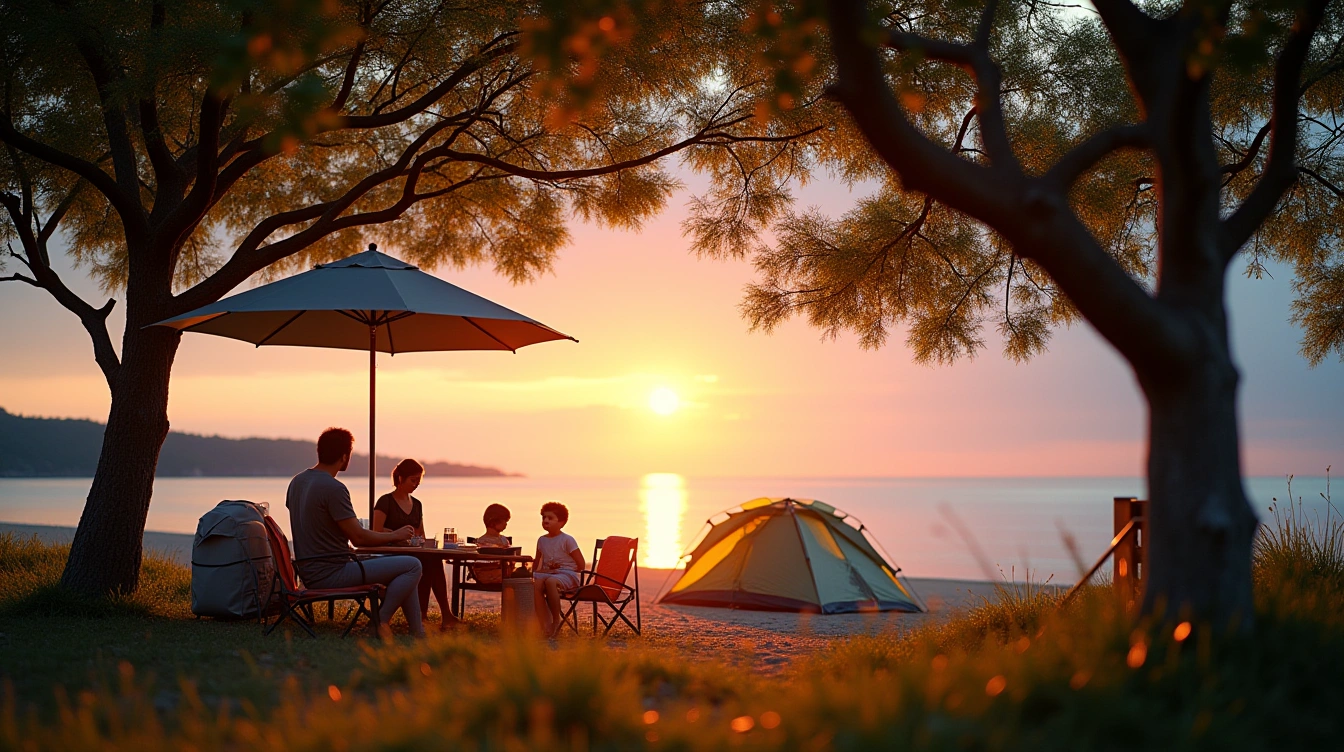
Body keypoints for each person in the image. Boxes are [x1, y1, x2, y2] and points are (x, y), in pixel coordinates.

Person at [286, 428, 425, 638]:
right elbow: (358, 537)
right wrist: (395, 535)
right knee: (412, 565)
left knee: (404, 563)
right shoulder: (334, 488)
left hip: (309, 570)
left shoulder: (296, 482)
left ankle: (418, 632)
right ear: (344, 456)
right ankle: (379, 623)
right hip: (332, 572)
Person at [372, 458, 458, 629]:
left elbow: (421, 535)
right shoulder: (386, 501)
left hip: (413, 551)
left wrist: (426, 542)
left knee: (432, 559)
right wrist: (395, 535)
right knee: (425, 561)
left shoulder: (417, 504)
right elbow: (375, 531)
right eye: (413, 480)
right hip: (391, 553)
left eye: (419, 480)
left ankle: (443, 614)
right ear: (400, 478)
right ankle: (424, 615)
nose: (416, 484)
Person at [532, 501, 585, 637]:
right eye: (543, 518)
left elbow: (581, 564)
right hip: (548, 574)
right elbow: (537, 561)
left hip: (568, 575)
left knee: (550, 582)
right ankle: (544, 623)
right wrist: (536, 573)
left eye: (550, 518)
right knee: (535, 584)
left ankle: (556, 621)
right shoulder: (541, 540)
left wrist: (562, 569)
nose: (545, 521)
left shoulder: (567, 540)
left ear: (561, 522)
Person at [471, 504, 513, 585]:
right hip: (486, 574)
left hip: (502, 572)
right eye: (504, 520)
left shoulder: (504, 540)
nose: (506, 524)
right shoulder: (482, 541)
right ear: (494, 521)